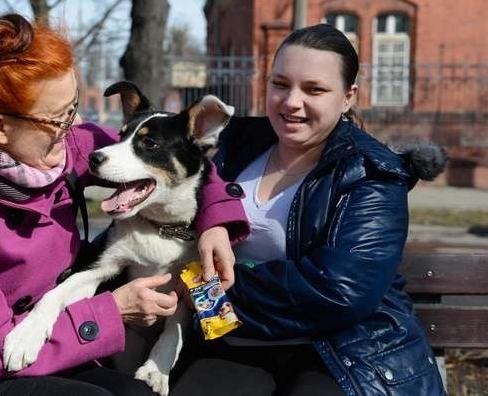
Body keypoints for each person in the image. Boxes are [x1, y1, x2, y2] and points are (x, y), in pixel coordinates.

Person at [0, 13, 248, 396]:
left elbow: (178, 163)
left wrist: (216, 221)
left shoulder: (53, 143)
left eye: (72, 109)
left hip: (43, 342)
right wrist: (114, 311)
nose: (73, 130)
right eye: (59, 119)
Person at [172, 24, 446, 395]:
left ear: (347, 96)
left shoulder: (372, 172)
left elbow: (340, 291)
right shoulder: (232, 143)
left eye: (314, 89)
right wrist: (213, 220)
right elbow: (174, 196)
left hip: (344, 353)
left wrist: (206, 295)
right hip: (234, 343)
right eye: (280, 84)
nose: (291, 102)